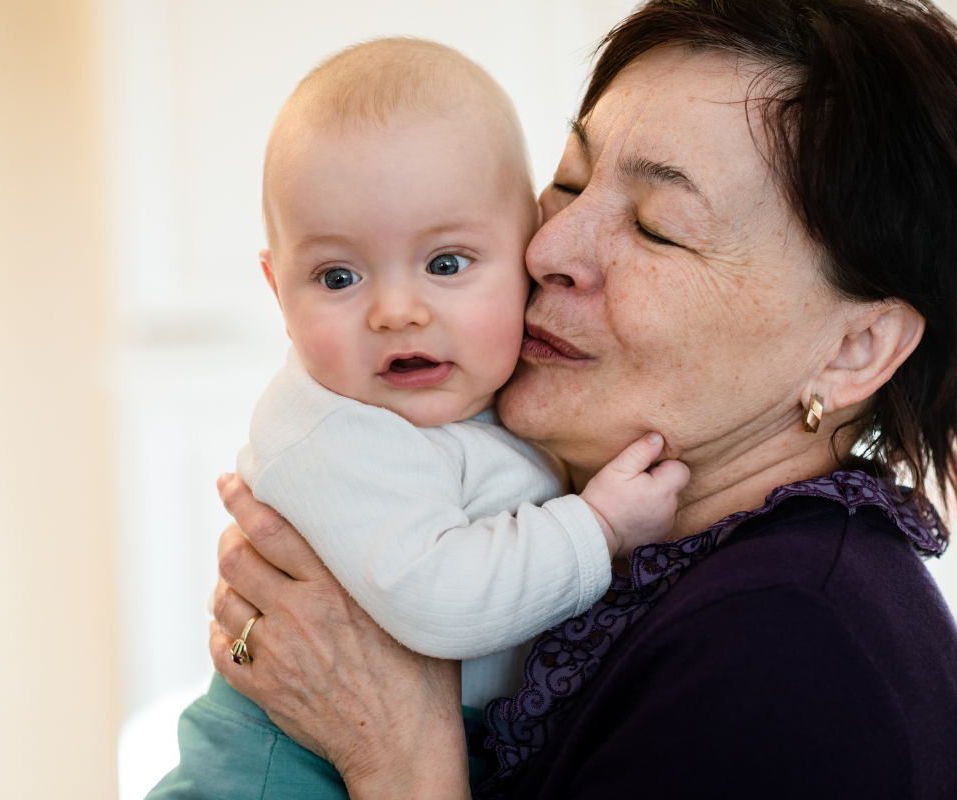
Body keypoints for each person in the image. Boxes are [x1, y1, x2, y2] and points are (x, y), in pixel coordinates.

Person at [206, 1, 957, 797]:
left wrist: (398, 754)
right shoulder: (659, 566)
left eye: (656, 225)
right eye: (570, 183)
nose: (548, 248)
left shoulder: (786, 649)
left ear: (852, 349)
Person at [149, 37, 689, 800]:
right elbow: (443, 602)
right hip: (275, 771)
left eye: (446, 265)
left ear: (525, 247)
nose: (397, 312)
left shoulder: (494, 396)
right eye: (338, 276)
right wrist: (596, 529)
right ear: (278, 293)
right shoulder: (337, 430)